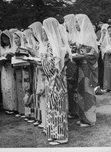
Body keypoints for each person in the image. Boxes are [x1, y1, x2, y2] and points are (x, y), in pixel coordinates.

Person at [42, 17, 69, 145]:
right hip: (50, 80)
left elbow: (54, 64)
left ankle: (60, 135)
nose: (43, 33)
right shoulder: (51, 44)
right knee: (51, 105)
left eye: (44, 30)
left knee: (57, 105)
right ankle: (53, 133)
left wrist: (43, 62)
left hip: (55, 79)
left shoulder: (56, 45)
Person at [74, 14, 98, 127]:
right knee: (80, 91)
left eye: (77, 22)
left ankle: (90, 119)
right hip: (80, 67)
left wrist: (82, 56)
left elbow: (94, 54)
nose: (75, 25)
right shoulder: (80, 36)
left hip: (87, 67)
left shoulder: (89, 36)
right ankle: (83, 117)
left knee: (88, 90)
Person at [63, 14, 79, 119]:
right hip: (68, 62)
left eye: (66, 22)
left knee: (74, 87)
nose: (65, 24)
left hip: (75, 62)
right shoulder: (66, 34)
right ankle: (71, 110)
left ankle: (76, 110)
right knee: (69, 87)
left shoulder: (77, 35)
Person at [0, 30, 17, 114]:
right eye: (3, 39)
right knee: (5, 87)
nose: (4, 40)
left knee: (11, 86)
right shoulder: (2, 48)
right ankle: (7, 107)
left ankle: (13, 107)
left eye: (6, 38)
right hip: (4, 68)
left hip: (11, 68)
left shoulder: (13, 47)